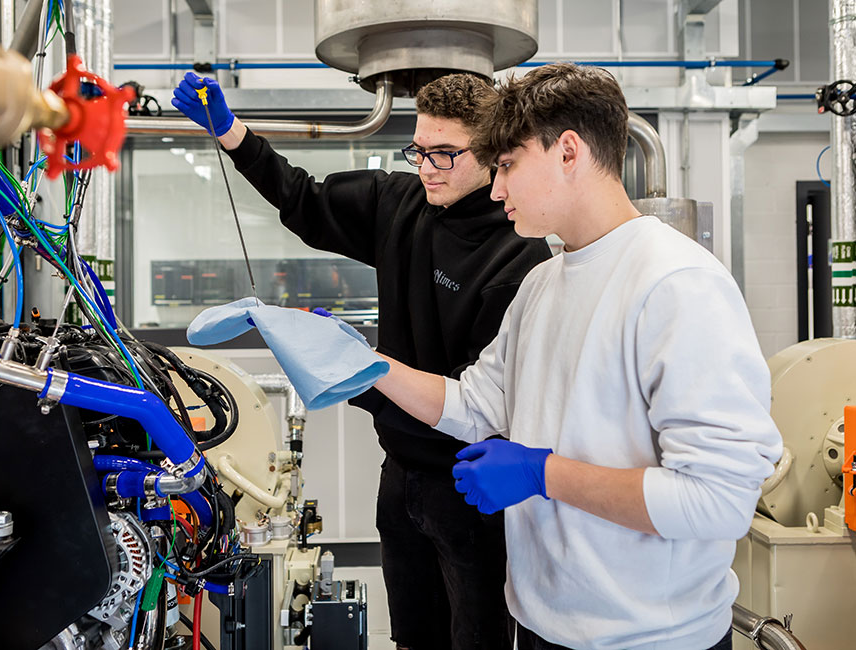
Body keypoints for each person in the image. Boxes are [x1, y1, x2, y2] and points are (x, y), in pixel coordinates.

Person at [368, 63, 784, 650]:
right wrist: (369, 367)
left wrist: (541, 474)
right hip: (542, 624)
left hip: (648, 639)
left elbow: (717, 502)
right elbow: (477, 403)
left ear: (568, 151)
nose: (496, 189)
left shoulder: (676, 283)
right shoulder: (543, 282)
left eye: (507, 165)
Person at [172, 71, 552, 650]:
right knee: (413, 638)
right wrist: (230, 133)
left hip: (471, 487)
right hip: (399, 476)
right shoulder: (401, 202)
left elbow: (475, 401)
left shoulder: (517, 257)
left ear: (490, 154)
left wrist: (355, 368)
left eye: (444, 154)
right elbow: (302, 198)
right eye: (418, 150)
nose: (426, 168)